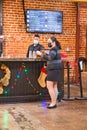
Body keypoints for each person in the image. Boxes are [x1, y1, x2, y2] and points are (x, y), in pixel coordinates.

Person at [36, 36, 63, 109]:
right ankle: (53, 102)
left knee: (49, 86)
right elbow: (51, 57)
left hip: (53, 69)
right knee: (54, 86)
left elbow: (50, 58)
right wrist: (45, 54)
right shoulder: (56, 48)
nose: (48, 43)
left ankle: (53, 103)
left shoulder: (54, 49)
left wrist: (40, 54)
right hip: (56, 69)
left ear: (53, 42)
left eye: (49, 42)